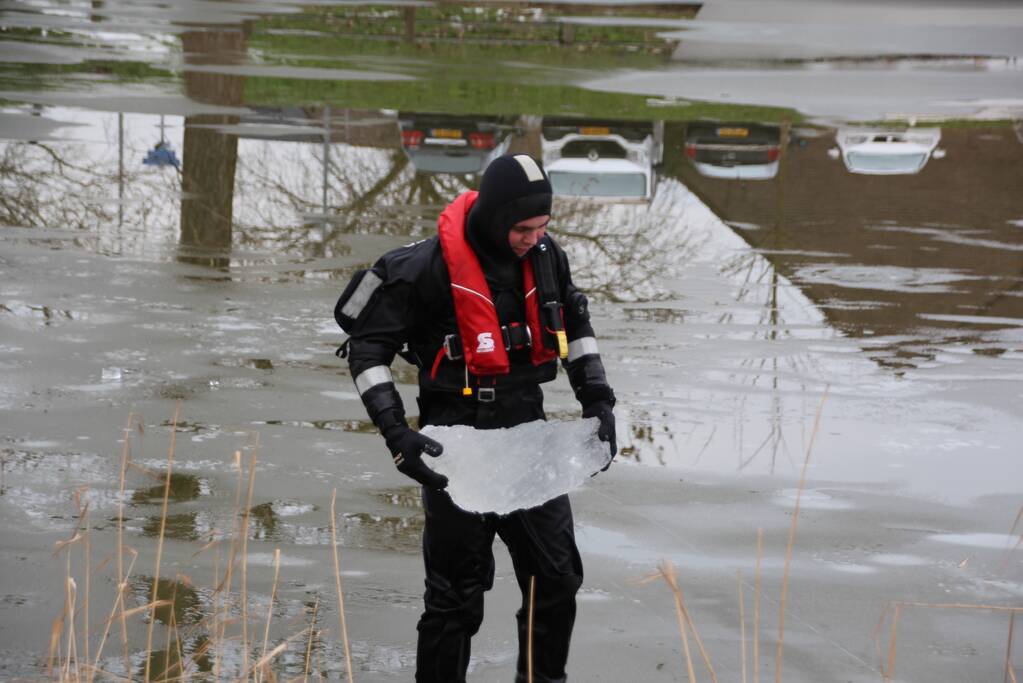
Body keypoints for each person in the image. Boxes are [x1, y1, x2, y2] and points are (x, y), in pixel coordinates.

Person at [336, 153, 617, 683]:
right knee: (455, 599)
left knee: (557, 579)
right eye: (522, 228)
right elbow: (366, 352)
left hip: (528, 443)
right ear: (493, 217)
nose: (533, 237)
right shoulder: (422, 270)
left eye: (542, 226)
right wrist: (398, 434)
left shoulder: (545, 257)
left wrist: (598, 401)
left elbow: (576, 328)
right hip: (455, 450)